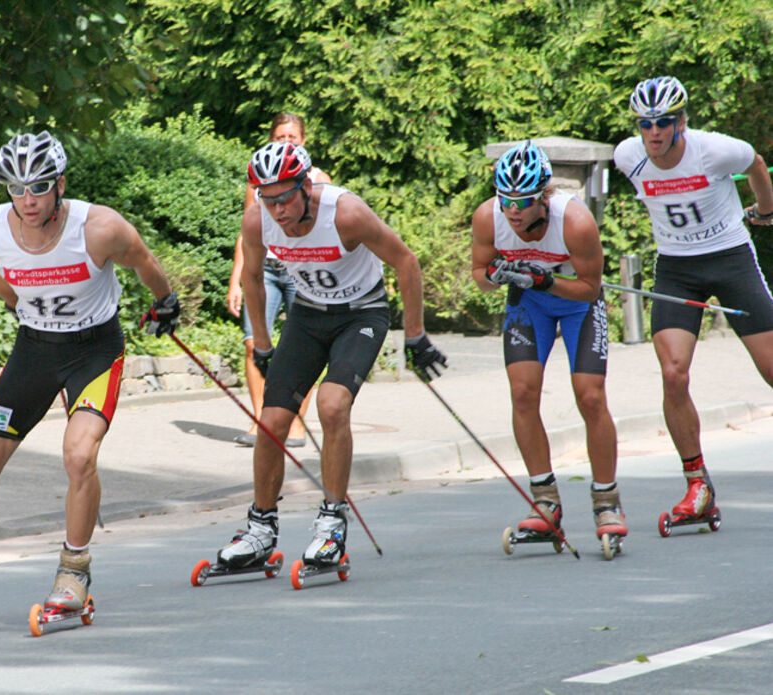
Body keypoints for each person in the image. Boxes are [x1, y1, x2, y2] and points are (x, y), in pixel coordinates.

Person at [0, 131, 178, 619]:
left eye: (38, 187)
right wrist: (30, 313)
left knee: (79, 456)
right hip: (34, 351)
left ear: (60, 184)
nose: (27, 201)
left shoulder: (100, 228)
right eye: (15, 189)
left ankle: (74, 570)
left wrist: (165, 303)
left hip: (95, 352)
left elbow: (145, 262)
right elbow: (4, 281)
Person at [214, 141, 446, 570]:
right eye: (268, 199)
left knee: (332, 404)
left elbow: (407, 262)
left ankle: (331, 524)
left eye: (285, 196)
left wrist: (415, 336)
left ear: (305, 185)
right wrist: (262, 344)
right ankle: (260, 529)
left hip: (362, 312)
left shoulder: (345, 213)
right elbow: (251, 278)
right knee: (272, 422)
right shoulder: (258, 221)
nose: (278, 210)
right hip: (308, 316)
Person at [613, 76, 773, 527]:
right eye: (646, 124)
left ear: (682, 121)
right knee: (672, 373)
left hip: (730, 259)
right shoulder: (628, 157)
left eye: (664, 122)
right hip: (677, 269)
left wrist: (766, 211)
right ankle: (698, 485)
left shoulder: (716, 150)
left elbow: (757, 164)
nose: (654, 132)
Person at [470, 140, 627, 544]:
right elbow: (479, 275)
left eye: (523, 201)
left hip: (575, 300)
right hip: (530, 302)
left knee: (589, 396)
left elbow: (591, 289)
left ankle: (606, 499)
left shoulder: (574, 221)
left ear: (544, 196)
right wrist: (498, 275)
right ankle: (545, 501)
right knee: (522, 392)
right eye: (506, 199)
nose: (513, 211)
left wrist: (547, 278)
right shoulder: (489, 217)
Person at [226, 113, 332, 447]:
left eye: (292, 138)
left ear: (303, 140)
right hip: (264, 271)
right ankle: (261, 421)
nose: (286, 142)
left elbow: (325, 228)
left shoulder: (316, 178)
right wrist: (235, 279)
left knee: (304, 349)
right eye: (279, 137)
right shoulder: (258, 180)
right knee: (253, 342)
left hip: (301, 270)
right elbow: (248, 230)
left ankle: (297, 423)